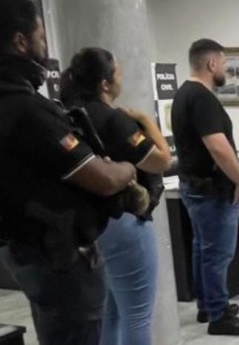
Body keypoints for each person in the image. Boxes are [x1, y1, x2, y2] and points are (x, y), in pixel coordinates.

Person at [0, 0, 138, 345]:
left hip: (29, 254)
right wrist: (127, 170)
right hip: (58, 260)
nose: (45, 47)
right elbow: (104, 179)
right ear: (20, 41)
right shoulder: (28, 111)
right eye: (41, 37)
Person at [60, 48, 172, 345]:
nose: (121, 78)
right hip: (126, 220)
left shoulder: (72, 116)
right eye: (118, 73)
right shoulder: (114, 120)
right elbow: (161, 160)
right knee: (137, 314)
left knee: (113, 311)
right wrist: (146, 120)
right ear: (105, 83)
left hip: (95, 223)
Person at [171, 39, 239, 336]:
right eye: (224, 62)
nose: (226, 69)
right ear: (211, 63)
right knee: (218, 254)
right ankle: (219, 315)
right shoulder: (202, 97)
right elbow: (217, 145)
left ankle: (207, 305)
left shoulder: (184, 93)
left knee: (203, 248)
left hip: (194, 185)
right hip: (211, 189)